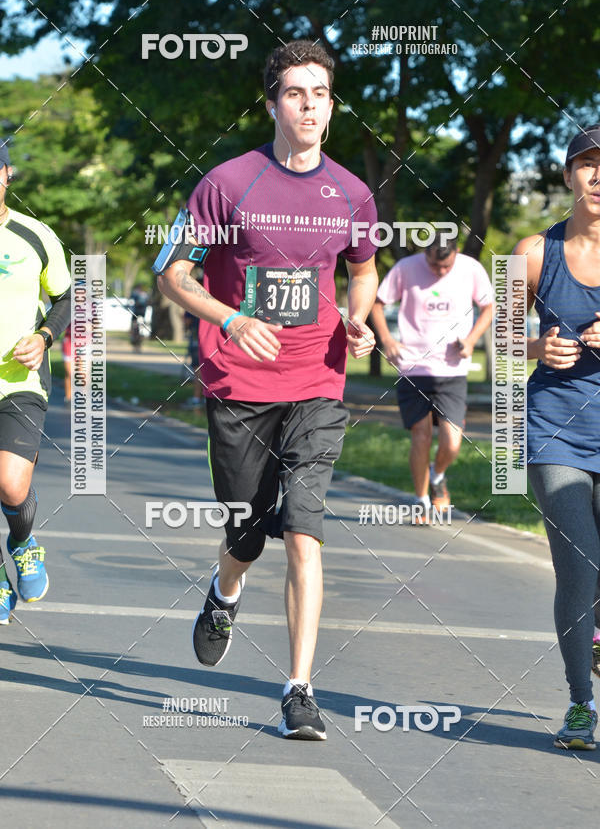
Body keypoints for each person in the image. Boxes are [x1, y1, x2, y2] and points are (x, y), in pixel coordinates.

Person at [155, 40, 378, 739]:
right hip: (240, 381)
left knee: (304, 530)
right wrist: (231, 318)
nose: (310, 105)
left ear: (332, 104)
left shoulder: (352, 192)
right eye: (296, 93)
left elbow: (363, 266)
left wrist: (358, 314)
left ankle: (299, 689)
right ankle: (224, 593)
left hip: (318, 379)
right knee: (248, 533)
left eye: (321, 93)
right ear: (273, 103)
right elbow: (174, 275)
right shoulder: (228, 184)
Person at [515, 123, 600, 750]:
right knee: (579, 567)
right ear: (569, 174)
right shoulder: (530, 251)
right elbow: (492, 341)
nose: (599, 177)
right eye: (588, 164)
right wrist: (534, 344)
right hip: (555, 433)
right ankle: (580, 704)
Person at [370, 232, 493, 524]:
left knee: (452, 441)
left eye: (445, 267)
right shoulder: (405, 268)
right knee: (421, 436)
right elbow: (377, 302)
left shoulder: (471, 268)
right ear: (425, 254)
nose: (438, 272)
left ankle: (438, 476)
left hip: (452, 370)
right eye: (433, 266)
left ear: (456, 252)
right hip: (413, 366)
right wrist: (386, 339)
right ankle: (422, 501)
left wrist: (472, 338)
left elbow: (488, 306)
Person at [0, 140, 71, 623]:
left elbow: (66, 297)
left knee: (9, 482)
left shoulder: (35, 235)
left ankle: (23, 542)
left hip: (18, 380)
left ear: (6, 174)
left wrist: (46, 337)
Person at [62, 323, 72, 403]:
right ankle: (68, 398)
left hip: (84, 342)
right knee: (69, 373)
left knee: (83, 375)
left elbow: (96, 323)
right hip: (69, 341)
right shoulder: (70, 309)